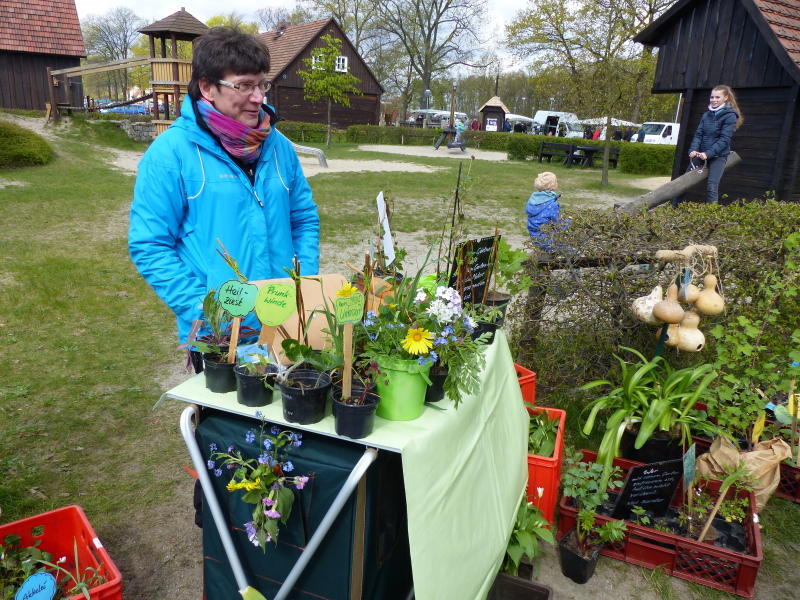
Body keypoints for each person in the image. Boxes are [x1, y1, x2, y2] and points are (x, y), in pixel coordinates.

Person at [129, 27, 320, 350]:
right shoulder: (171, 153)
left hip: (285, 323)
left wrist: (303, 287)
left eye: (262, 84)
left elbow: (303, 219)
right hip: (218, 336)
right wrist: (207, 314)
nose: (258, 97)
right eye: (245, 85)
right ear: (207, 87)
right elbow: (150, 245)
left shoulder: (279, 147)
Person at [685, 84, 743, 204]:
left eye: (717, 97)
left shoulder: (730, 116)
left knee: (712, 186)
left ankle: (711, 217)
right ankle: (673, 207)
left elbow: (724, 139)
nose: (714, 100)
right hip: (701, 154)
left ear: (725, 98)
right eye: (712, 97)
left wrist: (708, 153)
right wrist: (693, 150)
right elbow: (698, 134)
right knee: (684, 182)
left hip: (718, 156)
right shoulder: (706, 115)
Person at [526, 172, 563, 251]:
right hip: (548, 241)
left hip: (534, 238)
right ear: (553, 185)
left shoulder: (532, 200)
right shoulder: (552, 204)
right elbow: (557, 224)